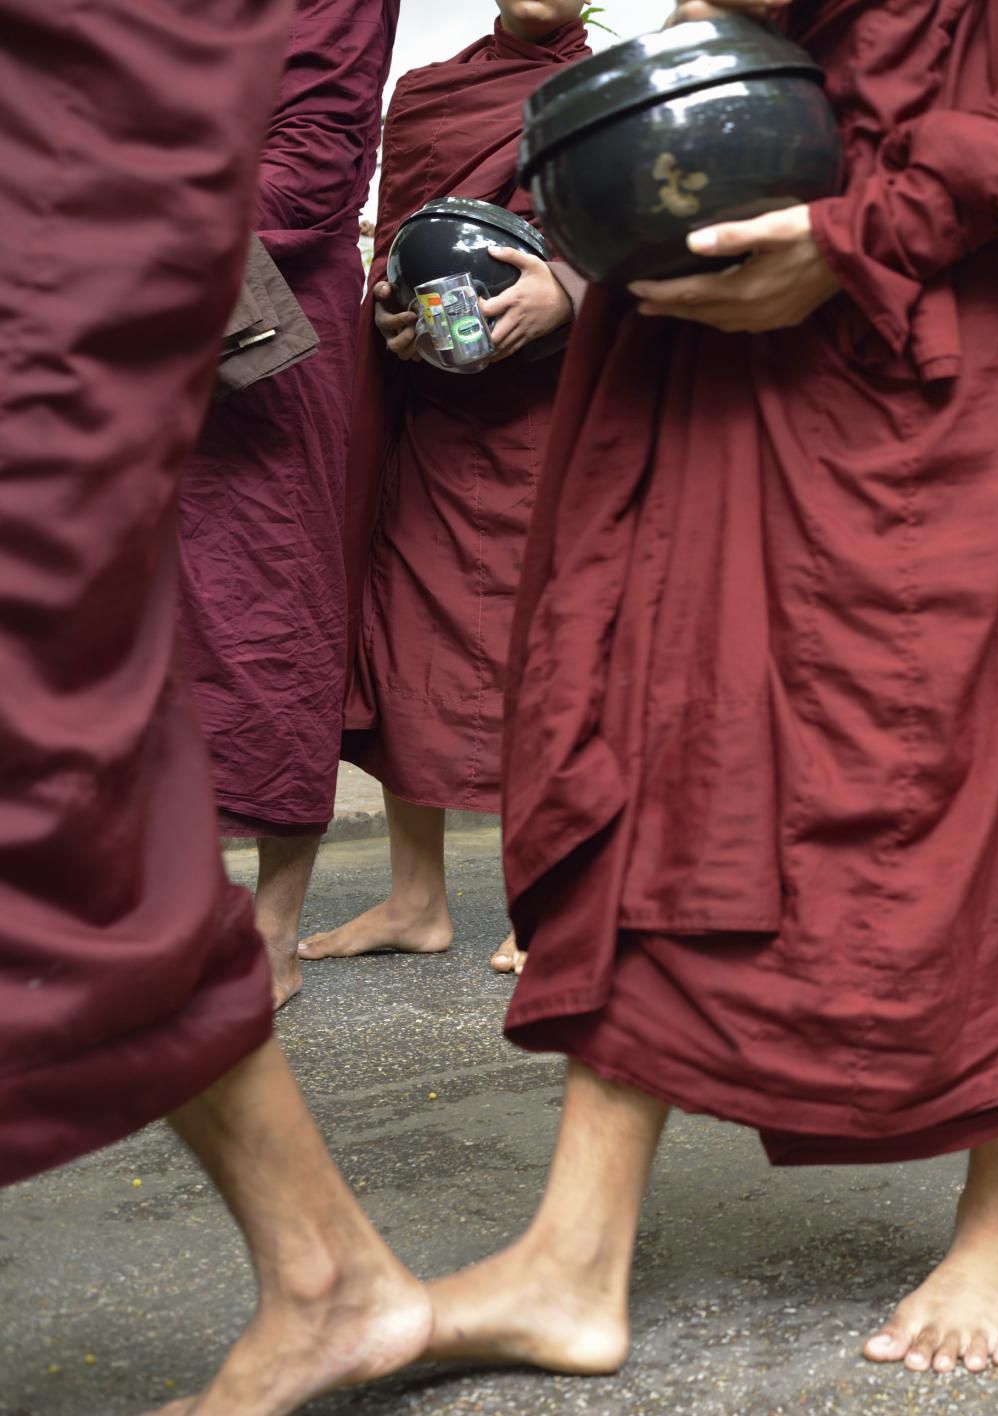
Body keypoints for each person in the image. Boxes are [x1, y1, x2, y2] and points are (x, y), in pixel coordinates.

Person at [407, 0, 998, 1380]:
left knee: (985, 735)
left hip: (976, 312)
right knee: (663, 720)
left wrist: (871, 234)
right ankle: (574, 1254)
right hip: (741, 289)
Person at [1, 3, 431, 1414]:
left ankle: (272, 931)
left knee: (249, 650)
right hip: (101, 270)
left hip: (226, 330)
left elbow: (303, 159)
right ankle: (323, 1271)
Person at [300, 0, 592, 976]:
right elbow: (397, 237)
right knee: (406, 634)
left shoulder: (616, 92)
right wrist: (388, 307)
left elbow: (651, 242)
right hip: (434, 407)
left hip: (553, 413)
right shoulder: (426, 96)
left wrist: (570, 289)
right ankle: (418, 898)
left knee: (541, 645)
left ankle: (543, 901)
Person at [177, 0, 399, 1006]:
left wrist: (141, 228)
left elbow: (317, 153)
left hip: (263, 305)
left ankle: (273, 934)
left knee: (268, 607)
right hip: (99, 291)